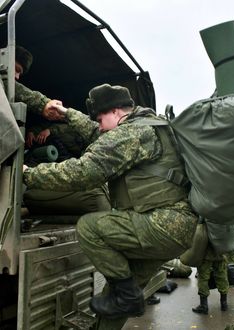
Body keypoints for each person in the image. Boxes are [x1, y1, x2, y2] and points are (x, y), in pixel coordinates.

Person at [23, 83, 198, 319]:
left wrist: (28, 173)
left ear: (116, 111)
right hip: (175, 228)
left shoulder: (130, 133)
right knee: (118, 299)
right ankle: (126, 297)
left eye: (99, 118)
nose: (98, 126)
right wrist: (67, 114)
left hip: (160, 224)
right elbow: (98, 132)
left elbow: (84, 172)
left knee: (89, 227)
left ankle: (128, 296)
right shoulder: (146, 125)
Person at [192, 245, 229, 315]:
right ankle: (224, 304)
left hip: (206, 255)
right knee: (222, 277)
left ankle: (203, 306)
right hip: (221, 254)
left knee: (203, 278)